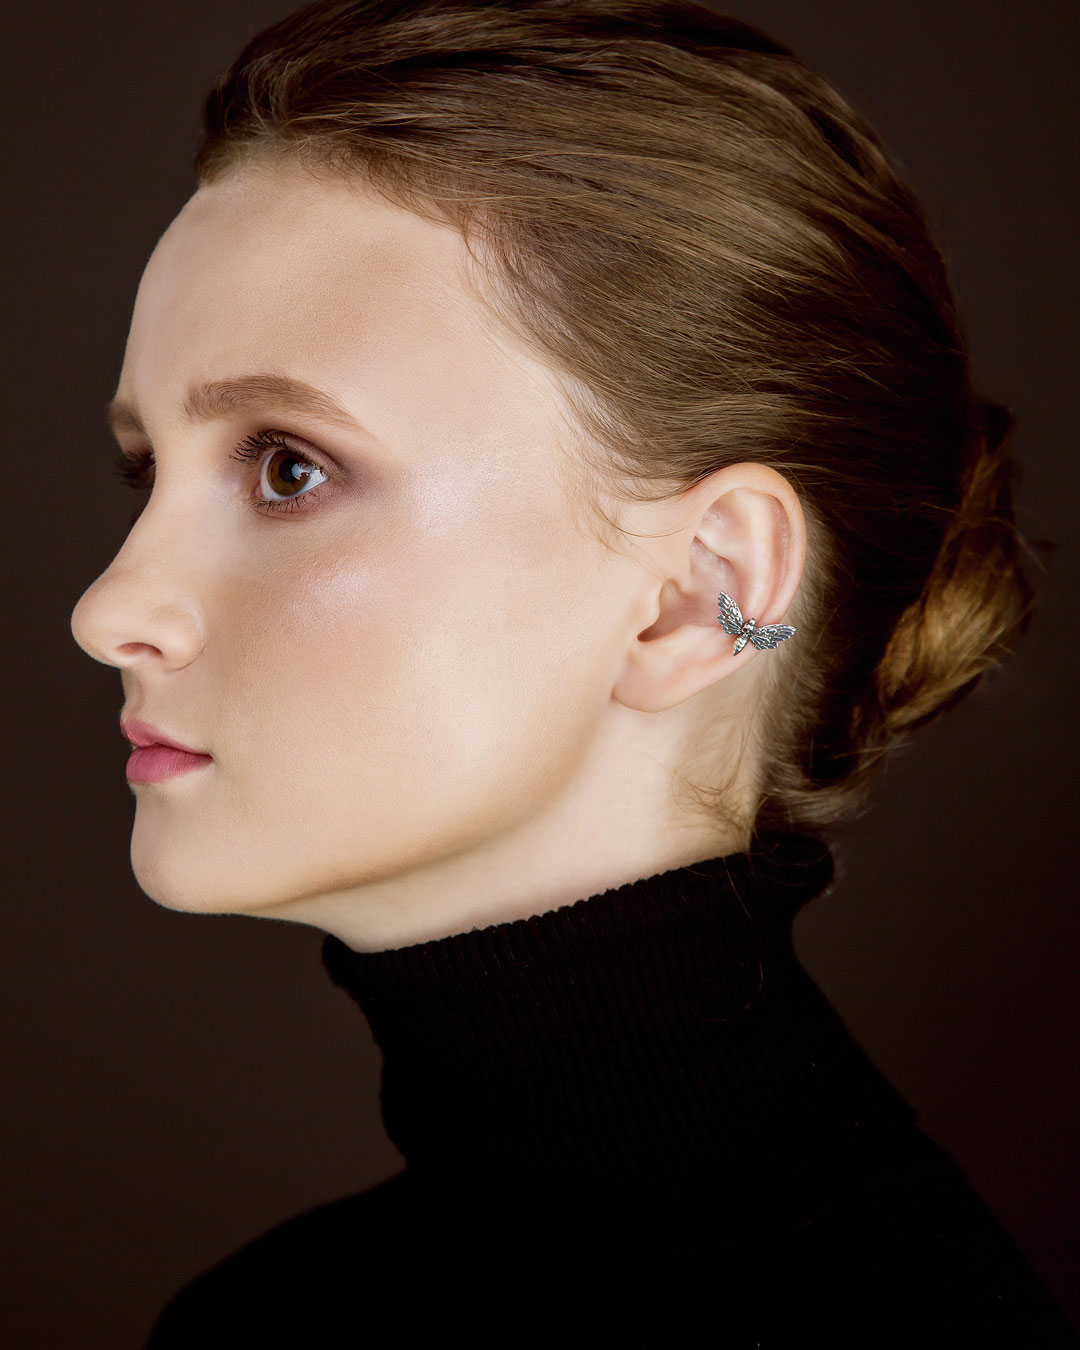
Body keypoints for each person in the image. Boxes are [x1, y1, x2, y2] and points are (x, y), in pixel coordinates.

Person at [69, 0, 1077, 1344]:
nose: (110, 608)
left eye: (288, 467)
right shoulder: (259, 1320)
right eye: (149, 471)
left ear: (697, 595)